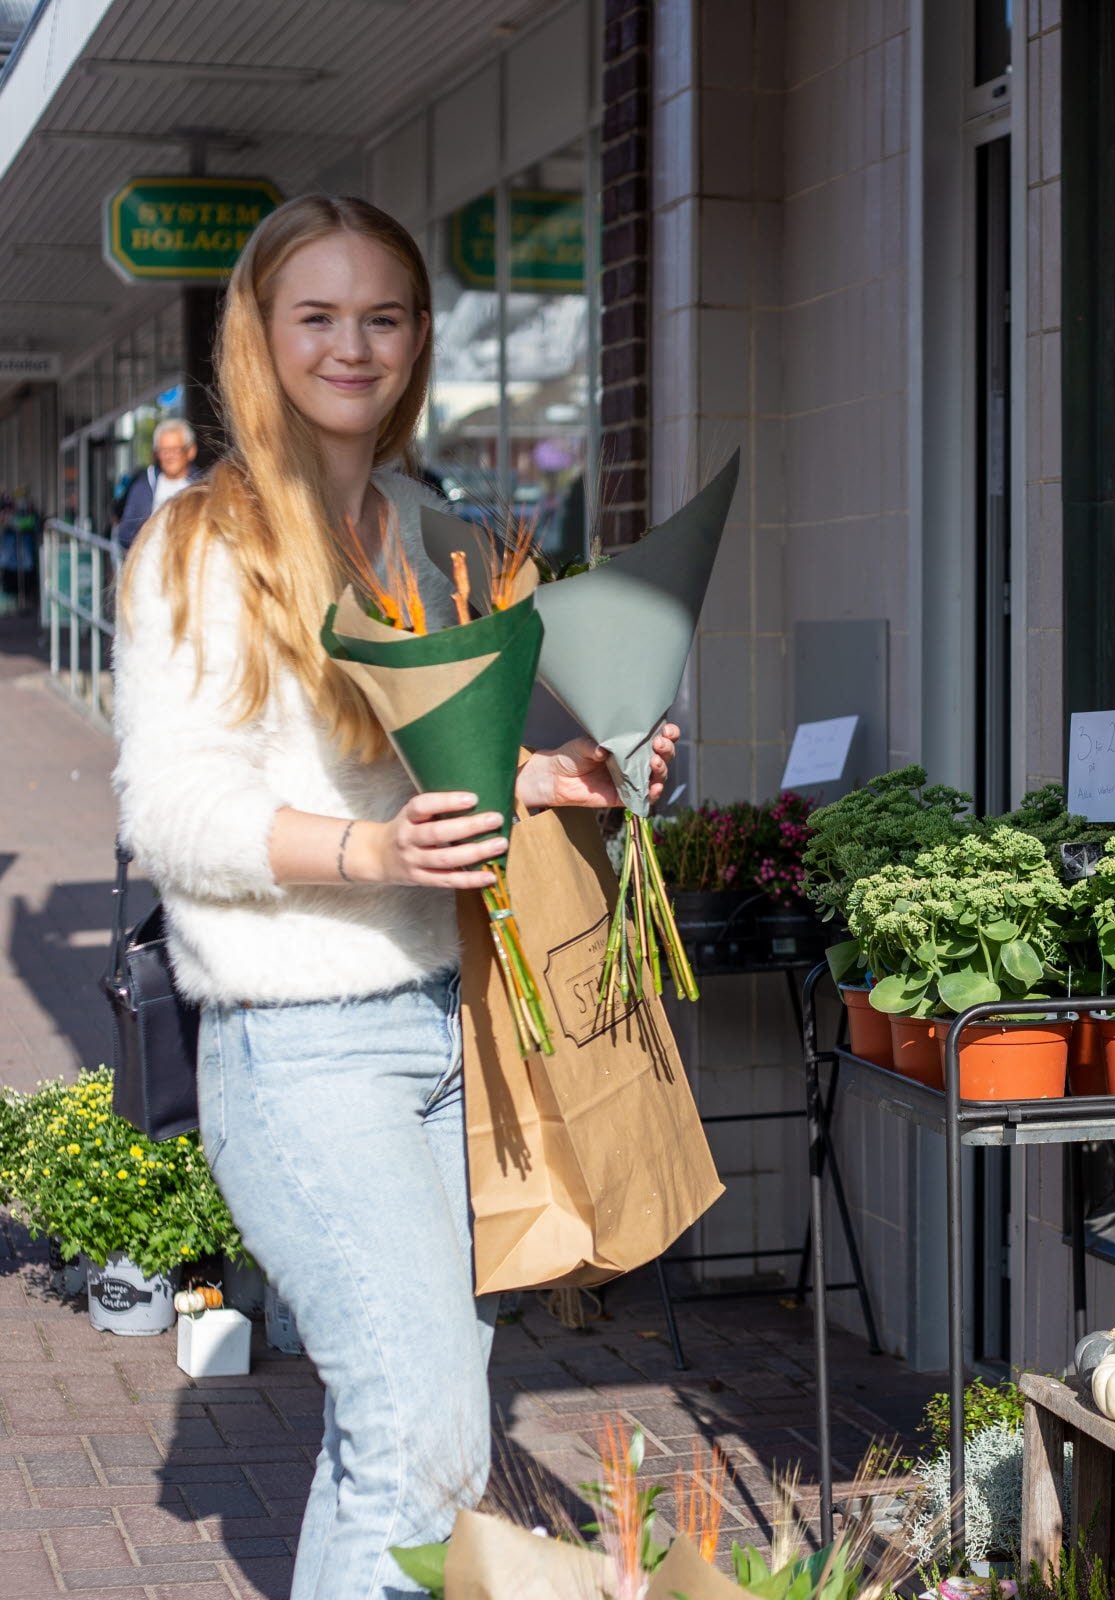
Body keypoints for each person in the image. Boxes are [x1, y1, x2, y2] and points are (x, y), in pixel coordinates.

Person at [111, 195, 679, 1600]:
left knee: (415, 1438)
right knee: (423, 1432)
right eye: (318, 315)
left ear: (421, 338)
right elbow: (168, 813)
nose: (353, 345)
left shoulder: (435, 534)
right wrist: (371, 856)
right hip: (305, 1052)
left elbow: (441, 783)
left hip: (453, 1032)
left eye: (384, 315)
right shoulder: (200, 545)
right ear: (260, 334)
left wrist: (562, 774)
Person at [113, 418, 202, 549]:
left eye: (176, 450)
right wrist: (144, 531)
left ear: (191, 451)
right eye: (164, 450)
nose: (170, 456)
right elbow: (124, 534)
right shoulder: (143, 485)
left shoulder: (203, 486)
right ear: (156, 454)